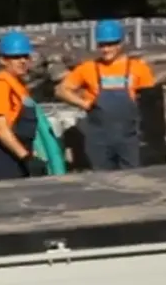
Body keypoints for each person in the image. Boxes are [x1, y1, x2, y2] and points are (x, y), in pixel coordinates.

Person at [54, 19, 156, 171]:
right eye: (102, 45)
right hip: (99, 140)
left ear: (120, 43)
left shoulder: (138, 68)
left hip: (129, 138)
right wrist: (85, 104)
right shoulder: (88, 68)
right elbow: (61, 90)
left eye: (111, 44)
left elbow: (150, 103)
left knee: (134, 179)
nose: (106, 49)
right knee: (103, 182)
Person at [0, 32, 49, 181]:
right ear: (3, 60)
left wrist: (32, 156)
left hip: (19, 155)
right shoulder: (0, 87)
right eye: (16, 57)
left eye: (25, 56)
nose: (22, 61)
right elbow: (1, 130)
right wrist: (26, 157)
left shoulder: (18, 85)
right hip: (4, 157)